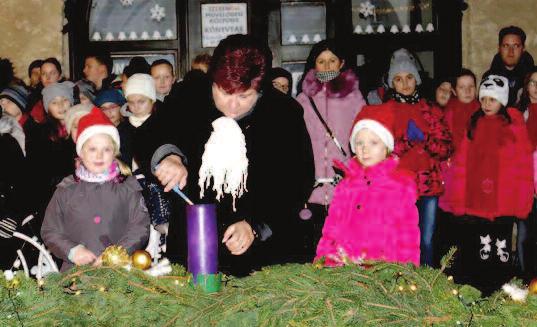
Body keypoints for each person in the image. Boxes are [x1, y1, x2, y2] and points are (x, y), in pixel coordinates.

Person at [147, 34, 314, 275]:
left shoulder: (284, 114)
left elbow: (296, 182)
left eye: (244, 96)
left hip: (262, 256)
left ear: (260, 89)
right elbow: (151, 134)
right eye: (224, 93)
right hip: (193, 248)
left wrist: (257, 226)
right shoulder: (189, 96)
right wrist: (169, 156)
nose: (232, 107)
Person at [440, 75, 533, 295]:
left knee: (500, 248)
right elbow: (462, 164)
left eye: (493, 99)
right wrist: (457, 198)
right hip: (477, 201)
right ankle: (479, 290)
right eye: (484, 99)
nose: (487, 104)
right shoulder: (474, 123)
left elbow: (523, 166)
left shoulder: (514, 125)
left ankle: (499, 291)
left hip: (503, 203)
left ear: (502, 100)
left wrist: (522, 200)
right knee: (481, 247)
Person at [371, 48, 453, 267]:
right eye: (398, 79)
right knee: (398, 242)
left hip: (428, 187)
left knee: (426, 241)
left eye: (409, 77)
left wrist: (425, 138)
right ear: (392, 83)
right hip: (397, 188)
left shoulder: (430, 109)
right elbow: (379, 151)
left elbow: (445, 148)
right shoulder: (385, 111)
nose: (405, 84)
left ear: (416, 79)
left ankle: (426, 289)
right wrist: (407, 142)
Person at [41, 107, 150, 272]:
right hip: (76, 276)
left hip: (119, 274)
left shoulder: (127, 188)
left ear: (114, 152)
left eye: (106, 149)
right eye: (92, 149)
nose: (99, 156)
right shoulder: (66, 189)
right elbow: (50, 229)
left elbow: (139, 227)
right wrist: (72, 250)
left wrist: (116, 254)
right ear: (81, 152)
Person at [315, 106, 420, 266]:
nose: (365, 149)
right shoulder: (346, 185)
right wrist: (323, 260)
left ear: (386, 147)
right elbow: (331, 228)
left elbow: (408, 236)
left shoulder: (399, 187)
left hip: (382, 272)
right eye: (359, 143)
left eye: (373, 142)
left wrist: (407, 274)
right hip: (344, 268)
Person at [296, 39, 366, 259]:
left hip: (345, 188)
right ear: (313, 65)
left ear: (341, 63)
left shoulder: (355, 98)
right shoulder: (303, 100)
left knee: (346, 251)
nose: (326, 67)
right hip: (312, 190)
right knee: (315, 251)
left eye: (332, 61)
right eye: (321, 61)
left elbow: (364, 138)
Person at [515, 66, 537, 277]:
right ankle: (525, 280)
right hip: (525, 186)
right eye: (533, 82)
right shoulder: (520, 115)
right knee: (524, 235)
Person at [483, 26, 534, 106]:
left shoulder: (534, 78)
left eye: (516, 46)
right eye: (506, 46)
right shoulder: (488, 79)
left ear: (523, 48)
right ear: (499, 48)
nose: (511, 52)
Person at [443, 69, 480, 151]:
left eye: (471, 86)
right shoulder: (450, 111)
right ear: (454, 91)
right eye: (462, 87)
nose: (467, 91)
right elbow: (446, 138)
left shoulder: (481, 109)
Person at [29, 58, 64, 124]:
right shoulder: (35, 99)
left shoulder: (69, 95)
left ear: (59, 76)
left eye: (52, 73)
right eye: (44, 74)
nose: (48, 77)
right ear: (40, 78)